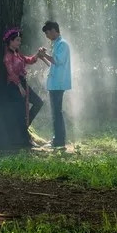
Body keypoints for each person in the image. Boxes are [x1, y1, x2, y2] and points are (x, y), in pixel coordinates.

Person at [2, 27, 44, 131]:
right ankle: (21, 132)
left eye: (20, 40)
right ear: (10, 41)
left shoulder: (18, 54)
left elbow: (29, 60)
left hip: (23, 83)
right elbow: (11, 73)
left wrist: (38, 54)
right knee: (21, 110)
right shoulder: (8, 56)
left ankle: (25, 126)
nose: (19, 42)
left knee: (38, 102)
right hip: (14, 85)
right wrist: (20, 86)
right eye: (17, 40)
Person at [38, 20, 72, 149]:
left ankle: (59, 141)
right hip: (54, 83)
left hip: (58, 83)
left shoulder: (62, 44)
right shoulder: (57, 44)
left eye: (47, 33)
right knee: (56, 112)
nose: (47, 36)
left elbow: (57, 61)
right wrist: (43, 57)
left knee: (57, 112)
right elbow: (53, 65)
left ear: (53, 30)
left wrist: (44, 54)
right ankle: (57, 139)